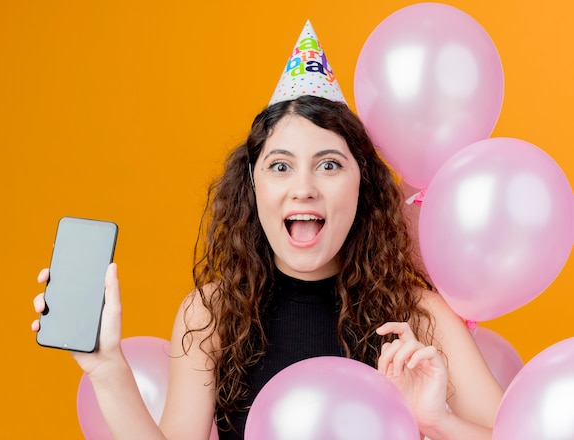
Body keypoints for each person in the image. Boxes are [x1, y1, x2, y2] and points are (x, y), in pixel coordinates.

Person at [32, 22, 503, 440]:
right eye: (280, 166)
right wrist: (105, 366)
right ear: (253, 184)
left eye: (329, 165)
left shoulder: (421, 315)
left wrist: (438, 421)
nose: (304, 189)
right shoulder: (211, 315)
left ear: (364, 185)